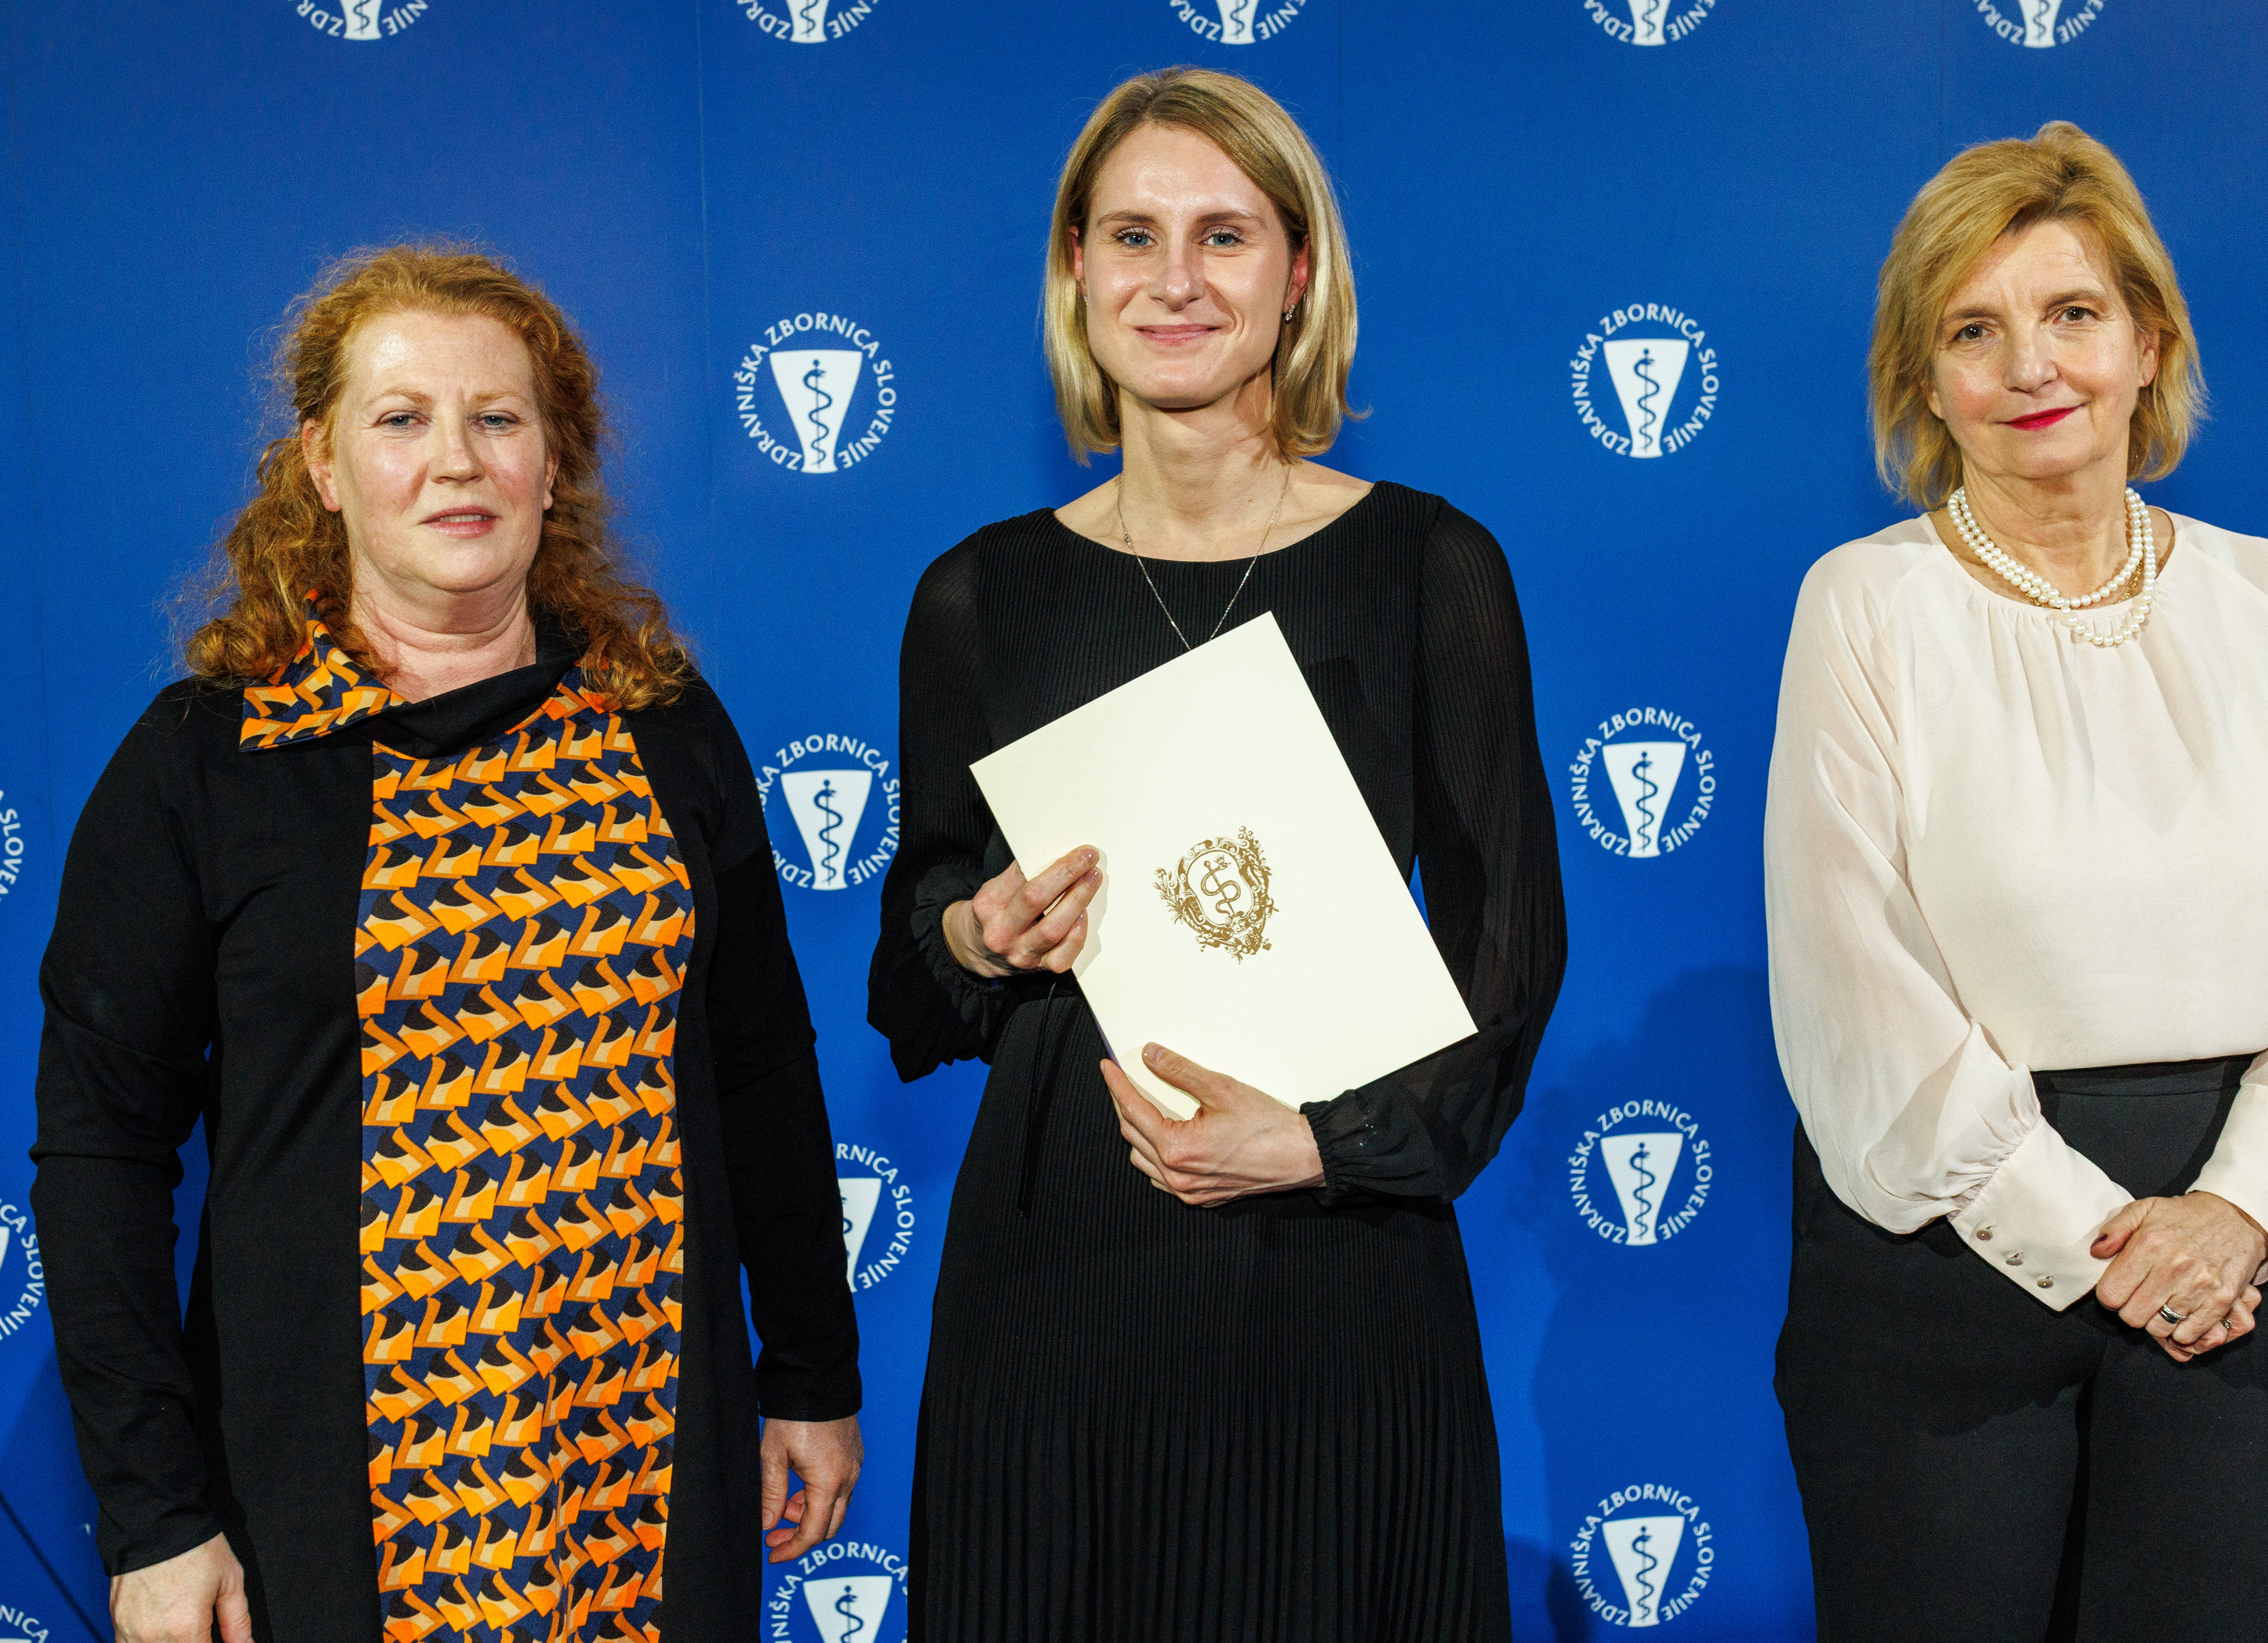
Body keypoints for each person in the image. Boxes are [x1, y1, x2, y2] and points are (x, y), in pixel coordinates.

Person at [35, 246, 864, 1642]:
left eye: (497, 417)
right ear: (322, 464)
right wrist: (156, 1513)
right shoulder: (206, 763)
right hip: (328, 1495)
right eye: (402, 419)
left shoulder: (664, 727)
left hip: (645, 1462)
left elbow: (763, 1068)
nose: (456, 461)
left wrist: (810, 1371)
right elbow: (101, 1149)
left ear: (554, 461)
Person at [867, 68, 1565, 1643]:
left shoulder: (1428, 565)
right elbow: (913, 962)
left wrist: (1328, 1146)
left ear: (1298, 273)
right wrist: (978, 932)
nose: (1175, 279)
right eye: (1132, 235)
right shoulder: (978, 596)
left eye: (1224, 236)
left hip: (1339, 1261)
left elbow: (1511, 945)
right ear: (1076, 271)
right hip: (1058, 1280)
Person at [1765, 122, 2268, 1641]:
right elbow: (1852, 965)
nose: (2030, 367)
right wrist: (2104, 1241)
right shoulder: (1865, 607)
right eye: (1973, 330)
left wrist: (2239, 1208)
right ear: (1924, 379)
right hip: (1947, 1264)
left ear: (2150, 341)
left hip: (2241, 1248)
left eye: (2071, 314)